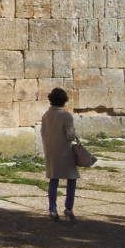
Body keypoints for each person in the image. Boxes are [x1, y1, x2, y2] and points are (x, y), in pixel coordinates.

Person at [40, 87, 79, 222]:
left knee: (53, 179)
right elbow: (70, 135)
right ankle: (68, 208)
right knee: (72, 179)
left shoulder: (46, 115)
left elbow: (43, 132)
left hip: (51, 151)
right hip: (65, 151)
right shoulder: (66, 116)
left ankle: (52, 209)